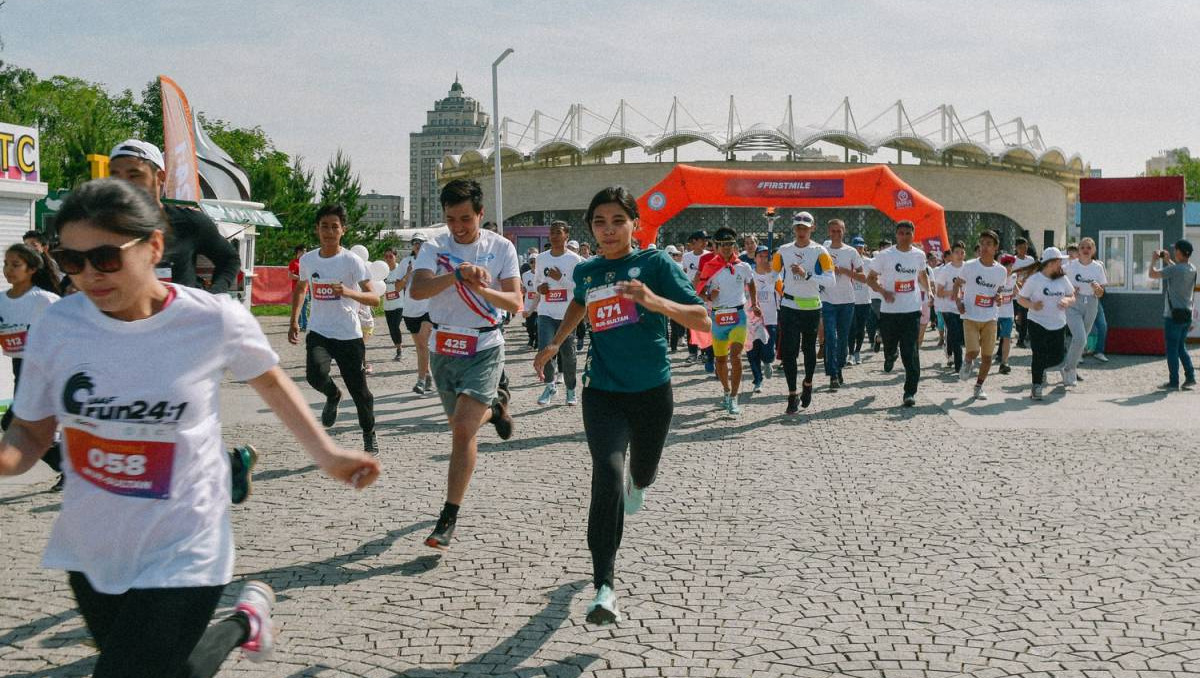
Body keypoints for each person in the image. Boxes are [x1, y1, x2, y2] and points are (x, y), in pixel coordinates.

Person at [0, 178, 380, 677]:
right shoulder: (59, 324)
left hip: (184, 543)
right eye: (72, 261)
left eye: (107, 258)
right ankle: (245, 623)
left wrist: (329, 456)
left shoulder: (210, 319)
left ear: (154, 245)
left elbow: (272, 385)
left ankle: (240, 622)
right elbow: (29, 433)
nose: (89, 275)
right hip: (92, 547)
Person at [533, 186, 709, 625]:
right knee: (606, 479)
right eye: (599, 222)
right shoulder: (589, 271)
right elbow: (578, 302)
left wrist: (652, 300)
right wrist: (555, 343)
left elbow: (701, 318)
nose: (608, 230)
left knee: (640, 473)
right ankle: (604, 587)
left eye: (617, 221)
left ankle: (640, 482)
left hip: (652, 392)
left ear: (635, 224)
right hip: (603, 392)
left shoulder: (655, 264)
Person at [409, 179, 521, 550]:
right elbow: (418, 290)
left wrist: (481, 289)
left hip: (485, 344)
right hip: (444, 347)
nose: (458, 226)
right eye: (451, 218)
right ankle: (497, 407)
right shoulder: (433, 246)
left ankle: (448, 516)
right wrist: (457, 274)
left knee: (461, 430)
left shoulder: (501, 247)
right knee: (460, 425)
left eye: (466, 219)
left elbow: (515, 303)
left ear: (481, 214)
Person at [288, 205, 380, 454]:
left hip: (348, 335)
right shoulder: (308, 260)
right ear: (317, 229)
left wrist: (348, 292)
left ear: (343, 230)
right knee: (314, 375)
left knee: (360, 392)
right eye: (324, 226)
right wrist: (294, 320)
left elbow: (374, 298)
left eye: (334, 227)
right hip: (319, 331)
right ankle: (332, 394)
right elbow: (301, 289)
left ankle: (368, 432)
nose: (329, 231)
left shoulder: (352, 261)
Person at [108, 140, 240, 293]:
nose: (123, 183)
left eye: (134, 175)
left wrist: (214, 295)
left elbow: (229, 259)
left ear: (160, 177)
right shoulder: (99, 226)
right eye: (115, 175)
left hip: (181, 314)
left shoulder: (189, 223)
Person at [0, 243, 63, 489]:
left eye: (16, 265)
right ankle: (66, 467)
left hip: (44, 368)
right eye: (6, 264)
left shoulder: (44, 299)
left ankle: (66, 467)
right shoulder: (2, 300)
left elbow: (69, 328)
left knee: (15, 422)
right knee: (22, 423)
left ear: (32, 269)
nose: (8, 269)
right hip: (20, 368)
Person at [772, 212, 834, 414]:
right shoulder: (783, 250)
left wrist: (806, 275)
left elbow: (830, 280)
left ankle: (807, 383)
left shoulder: (820, 251)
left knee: (808, 350)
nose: (801, 231)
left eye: (805, 227)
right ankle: (792, 393)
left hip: (811, 307)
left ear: (812, 228)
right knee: (789, 353)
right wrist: (780, 289)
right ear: (794, 228)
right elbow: (773, 275)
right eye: (798, 227)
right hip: (789, 307)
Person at [866, 221, 931, 407]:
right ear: (896, 235)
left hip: (911, 311)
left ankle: (909, 392)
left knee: (910, 352)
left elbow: (922, 275)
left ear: (913, 234)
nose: (904, 236)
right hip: (890, 311)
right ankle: (890, 354)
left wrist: (930, 291)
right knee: (889, 345)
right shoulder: (884, 256)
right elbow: (870, 279)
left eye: (908, 233)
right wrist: (883, 291)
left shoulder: (919, 255)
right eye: (901, 233)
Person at [697, 227, 758, 415]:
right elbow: (698, 289)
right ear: (716, 246)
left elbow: (752, 283)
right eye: (723, 244)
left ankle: (734, 397)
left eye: (730, 244)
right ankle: (725, 390)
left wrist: (754, 303)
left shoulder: (743, 266)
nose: (726, 248)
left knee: (736, 357)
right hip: (718, 317)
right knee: (721, 359)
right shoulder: (709, 266)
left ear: (734, 245)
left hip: (738, 316)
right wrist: (708, 296)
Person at [951, 230, 1007, 399]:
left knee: (988, 357)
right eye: (982, 243)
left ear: (996, 248)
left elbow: (1000, 291)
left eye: (988, 244)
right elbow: (957, 285)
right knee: (973, 351)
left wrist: (999, 298)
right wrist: (959, 302)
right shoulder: (969, 266)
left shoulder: (1001, 271)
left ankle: (978, 386)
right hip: (970, 316)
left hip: (990, 317)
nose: (984, 247)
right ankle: (967, 362)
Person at [535, 221, 584, 406]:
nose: (554, 236)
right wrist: (541, 288)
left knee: (568, 354)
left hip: (567, 314)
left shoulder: (575, 260)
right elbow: (538, 282)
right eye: (551, 232)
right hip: (546, 312)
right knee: (545, 349)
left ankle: (571, 389)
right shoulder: (541, 258)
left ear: (566, 236)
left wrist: (560, 279)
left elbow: (579, 288)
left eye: (558, 232)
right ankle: (550, 385)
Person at [1017, 247, 1075, 400]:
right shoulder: (1034, 280)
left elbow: (1072, 295)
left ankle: (1040, 367)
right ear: (1050, 263)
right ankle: (1036, 387)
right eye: (1059, 262)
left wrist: (1067, 301)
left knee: (1058, 357)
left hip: (1058, 323)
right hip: (1037, 322)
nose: (1061, 265)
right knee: (1039, 353)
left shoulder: (1062, 278)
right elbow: (1021, 298)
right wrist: (1032, 305)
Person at [819, 219, 863, 389]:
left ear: (844, 232)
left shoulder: (851, 252)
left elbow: (862, 277)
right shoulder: (822, 251)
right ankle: (833, 374)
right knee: (830, 337)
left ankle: (839, 368)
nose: (836, 234)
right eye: (833, 231)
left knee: (843, 338)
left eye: (839, 231)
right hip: (827, 299)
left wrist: (844, 271)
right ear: (829, 232)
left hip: (847, 301)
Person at [1148, 239, 1196, 390]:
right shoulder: (1192, 268)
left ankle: (1173, 382)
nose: (1174, 252)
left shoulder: (1175, 270)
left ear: (1181, 253)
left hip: (1173, 316)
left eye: (1176, 250)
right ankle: (1190, 377)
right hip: (1186, 315)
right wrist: (1168, 260)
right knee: (1181, 347)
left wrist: (1154, 260)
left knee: (1172, 350)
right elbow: (1179, 271)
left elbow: (1152, 274)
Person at [1061, 237, 1107, 385]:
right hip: (1074, 302)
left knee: (1082, 340)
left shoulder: (1098, 267)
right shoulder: (1070, 266)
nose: (1086, 250)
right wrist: (1069, 290)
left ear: (1093, 251)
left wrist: (1098, 289)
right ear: (1079, 250)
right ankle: (1070, 369)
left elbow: (1101, 293)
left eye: (1089, 248)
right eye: (1083, 248)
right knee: (1080, 338)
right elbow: (1057, 281)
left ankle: (1069, 367)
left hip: (1092, 303)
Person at [400, 233, 434, 393]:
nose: (418, 245)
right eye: (415, 242)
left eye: (421, 242)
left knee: (422, 342)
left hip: (428, 308)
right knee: (420, 346)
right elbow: (396, 287)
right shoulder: (405, 262)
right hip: (410, 310)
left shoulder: (431, 261)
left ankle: (420, 380)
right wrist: (408, 274)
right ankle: (426, 374)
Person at [748, 245, 780, 392]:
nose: (763, 259)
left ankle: (767, 362)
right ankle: (757, 380)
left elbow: (783, 292)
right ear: (755, 258)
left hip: (770, 319)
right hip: (752, 320)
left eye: (766, 256)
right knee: (752, 352)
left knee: (767, 352)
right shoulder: (749, 276)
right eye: (760, 256)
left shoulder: (775, 276)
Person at [934, 242, 966, 372]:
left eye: (962, 252)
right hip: (948, 308)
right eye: (957, 252)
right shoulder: (946, 270)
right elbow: (939, 292)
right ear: (951, 254)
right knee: (955, 335)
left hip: (964, 308)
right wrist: (953, 292)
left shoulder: (968, 268)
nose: (960, 255)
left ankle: (949, 351)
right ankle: (959, 365)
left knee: (959, 336)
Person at [680, 231, 709, 363]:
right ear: (694, 242)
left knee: (704, 322)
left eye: (706, 240)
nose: (705, 242)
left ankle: (705, 352)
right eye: (702, 240)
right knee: (690, 323)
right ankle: (692, 352)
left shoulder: (709, 256)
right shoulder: (686, 257)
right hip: (691, 293)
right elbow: (685, 273)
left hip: (704, 293)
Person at [847, 236, 872, 366]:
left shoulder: (869, 262)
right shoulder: (847, 261)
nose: (858, 249)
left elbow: (874, 277)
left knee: (861, 329)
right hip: (850, 300)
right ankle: (850, 353)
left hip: (865, 300)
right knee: (852, 328)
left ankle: (857, 351)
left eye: (861, 247)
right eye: (856, 247)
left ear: (864, 248)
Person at [1011, 237, 1038, 348]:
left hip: (1026, 293)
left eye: (1025, 247)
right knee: (1014, 316)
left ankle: (1021, 340)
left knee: (1025, 317)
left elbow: (1033, 274)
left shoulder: (1030, 260)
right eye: (1021, 247)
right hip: (1014, 293)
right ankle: (1016, 332)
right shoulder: (1013, 260)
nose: (1023, 249)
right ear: (1016, 248)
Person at [994, 254, 1018, 374]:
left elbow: (1015, 290)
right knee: (990, 338)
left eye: (1011, 266)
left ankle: (1004, 362)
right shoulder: (997, 278)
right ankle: (985, 358)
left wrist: (1016, 293)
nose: (1010, 268)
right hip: (995, 313)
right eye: (1007, 266)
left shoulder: (1014, 277)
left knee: (1007, 337)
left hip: (1008, 313)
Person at [381, 247, 406, 361]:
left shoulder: (400, 269)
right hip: (387, 305)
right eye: (386, 257)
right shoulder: (382, 271)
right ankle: (398, 347)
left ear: (395, 257)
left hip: (400, 304)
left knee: (395, 326)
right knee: (391, 328)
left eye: (391, 256)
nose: (388, 259)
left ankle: (399, 350)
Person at [665, 245, 687, 352]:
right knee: (669, 322)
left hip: (676, 296)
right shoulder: (663, 265)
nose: (675, 256)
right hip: (668, 296)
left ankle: (674, 344)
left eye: (676, 255)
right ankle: (669, 344)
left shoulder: (679, 266)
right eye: (673, 254)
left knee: (676, 321)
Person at [287, 245, 310, 331]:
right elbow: (290, 275)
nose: (306, 253)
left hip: (306, 290)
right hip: (297, 290)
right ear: (299, 252)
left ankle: (305, 326)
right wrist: (301, 277)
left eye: (306, 251)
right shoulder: (294, 263)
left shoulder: (306, 263)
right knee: (298, 308)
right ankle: (299, 325)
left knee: (305, 309)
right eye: (304, 251)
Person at [521, 253, 540, 349]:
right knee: (530, 325)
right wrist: (523, 290)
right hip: (528, 303)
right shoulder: (525, 275)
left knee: (538, 325)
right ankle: (531, 338)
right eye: (531, 262)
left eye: (535, 261)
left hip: (540, 305)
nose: (533, 264)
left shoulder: (541, 274)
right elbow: (524, 289)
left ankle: (536, 341)